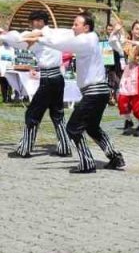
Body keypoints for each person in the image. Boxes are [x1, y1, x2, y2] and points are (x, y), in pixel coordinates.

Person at [25, 10, 127, 172]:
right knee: (92, 127)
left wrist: (39, 39)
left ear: (86, 27)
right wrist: (43, 34)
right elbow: (63, 36)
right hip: (98, 92)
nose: (73, 27)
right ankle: (115, 156)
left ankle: (87, 162)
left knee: (73, 128)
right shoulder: (88, 38)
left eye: (76, 24)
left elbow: (63, 45)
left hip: (94, 92)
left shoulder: (86, 40)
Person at [6, 10, 73, 158]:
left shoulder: (39, 35)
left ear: (41, 22)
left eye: (35, 21)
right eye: (33, 22)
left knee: (33, 113)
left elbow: (18, 39)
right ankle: (65, 146)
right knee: (57, 112)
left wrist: (3, 34)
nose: (33, 25)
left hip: (48, 77)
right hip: (57, 76)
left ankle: (25, 148)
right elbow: (70, 33)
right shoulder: (56, 32)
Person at [114, 20, 139, 135]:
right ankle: (128, 120)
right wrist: (116, 31)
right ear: (132, 30)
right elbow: (114, 42)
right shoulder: (126, 44)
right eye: (137, 28)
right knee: (122, 98)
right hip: (128, 72)